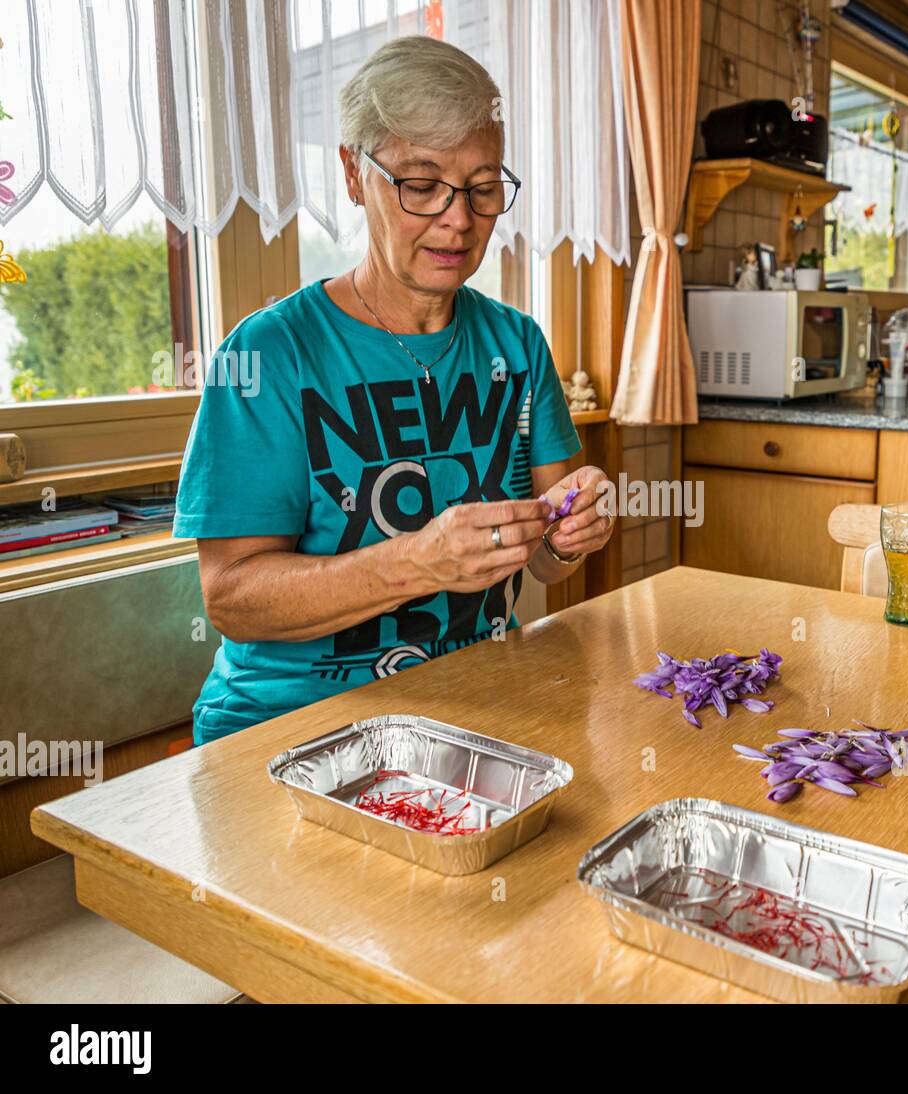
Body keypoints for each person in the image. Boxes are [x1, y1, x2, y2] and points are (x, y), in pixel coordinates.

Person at [174, 36, 614, 744]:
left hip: (474, 715)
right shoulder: (266, 355)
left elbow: (545, 560)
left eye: (481, 186)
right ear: (355, 174)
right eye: (420, 183)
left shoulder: (519, 344)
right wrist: (417, 561)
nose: (459, 219)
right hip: (289, 732)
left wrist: (570, 533)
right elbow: (232, 599)